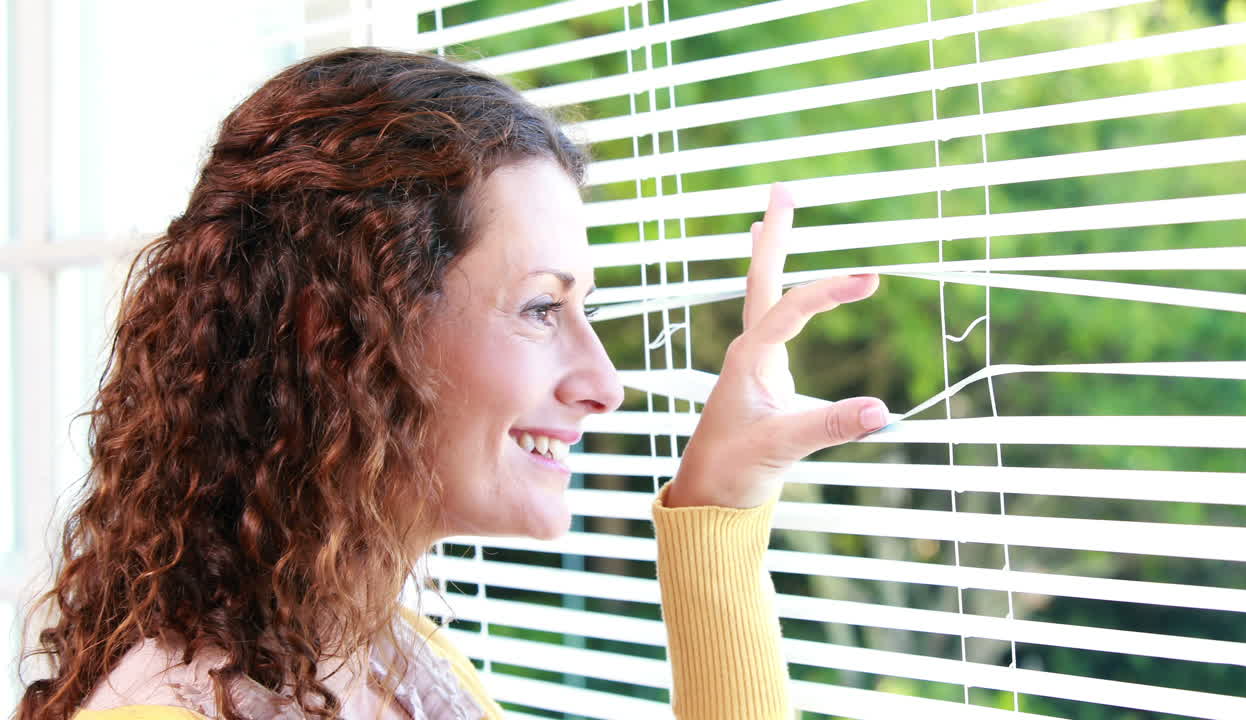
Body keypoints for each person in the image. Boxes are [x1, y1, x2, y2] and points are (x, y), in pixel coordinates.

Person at [16, 48, 887, 720]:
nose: (603, 382)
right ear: (340, 331)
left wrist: (721, 503)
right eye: (542, 309)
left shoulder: (391, 661)